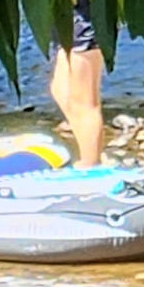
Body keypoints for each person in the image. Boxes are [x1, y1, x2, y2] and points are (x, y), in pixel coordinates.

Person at [50, 10, 107, 169]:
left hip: (84, 13)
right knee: (61, 89)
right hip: (67, 9)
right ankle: (90, 158)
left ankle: (91, 163)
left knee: (82, 99)